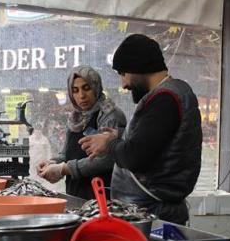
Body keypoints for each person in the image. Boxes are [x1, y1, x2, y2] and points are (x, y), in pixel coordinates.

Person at [79, 34, 202, 224]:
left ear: (138, 67)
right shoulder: (174, 93)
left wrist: (109, 144)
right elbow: (156, 142)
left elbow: (136, 157)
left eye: (123, 73)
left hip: (152, 214)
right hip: (149, 210)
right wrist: (120, 136)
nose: (123, 83)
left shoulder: (164, 100)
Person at [36, 66, 126, 199]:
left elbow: (107, 160)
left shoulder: (110, 114)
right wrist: (52, 162)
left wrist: (64, 169)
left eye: (86, 88)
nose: (81, 96)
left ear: (96, 87)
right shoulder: (75, 117)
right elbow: (66, 153)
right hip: (75, 192)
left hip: (102, 195)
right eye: (75, 91)